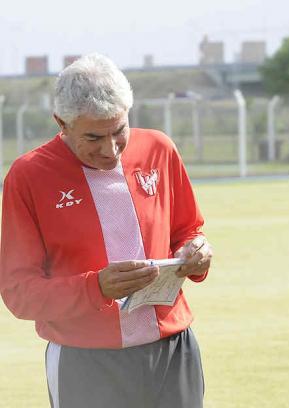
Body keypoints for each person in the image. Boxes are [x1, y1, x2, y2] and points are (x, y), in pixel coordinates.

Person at [0, 53, 212, 408]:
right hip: (86, 362)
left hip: (174, 351)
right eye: (94, 137)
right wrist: (95, 287)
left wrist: (198, 251)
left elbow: (189, 230)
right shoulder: (28, 176)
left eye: (119, 131)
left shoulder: (159, 149)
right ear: (61, 123)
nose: (110, 150)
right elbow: (20, 293)